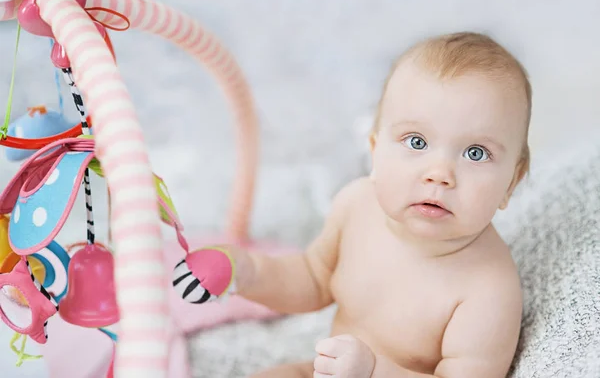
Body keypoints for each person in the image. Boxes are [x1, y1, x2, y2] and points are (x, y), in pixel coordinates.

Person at [199, 31, 530, 378]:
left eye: (475, 153)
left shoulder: (489, 289)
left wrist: (374, 371)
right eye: (416, 141)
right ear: (375, 151)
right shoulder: (356, 206)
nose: (440, 174)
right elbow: (313, 279)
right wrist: (246, 272)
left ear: (511, 183)